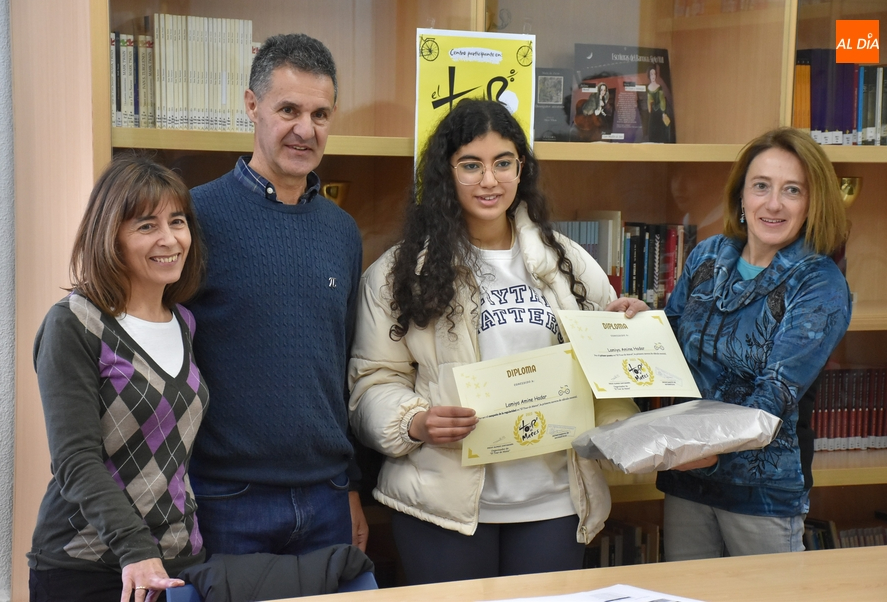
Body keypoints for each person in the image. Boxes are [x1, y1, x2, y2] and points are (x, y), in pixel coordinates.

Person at [348, 99, 645, 584]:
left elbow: (608, 366)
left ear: (520, 168)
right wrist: (415, 422)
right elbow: (370, 385)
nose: (490, 180)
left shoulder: (567, 261)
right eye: (471, 165)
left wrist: (626, 325)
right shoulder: (399, 274)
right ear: (446, 174)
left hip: (553, 503)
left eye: (503, 163)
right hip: (443, 510)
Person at [186, 33, 368, 557]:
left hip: (330, 496)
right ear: (251, 105)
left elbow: (345, 367)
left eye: (320, 114)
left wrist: (351, 485)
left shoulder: (343, 231)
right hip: (225, 496)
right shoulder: (195, 219)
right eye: (288, 109)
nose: (305, 130)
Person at [658, 127, 852, 560]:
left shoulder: (819, 282)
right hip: (687, 480)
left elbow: (776, 391)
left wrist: (704, 453)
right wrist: (630, 326)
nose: (773, 204)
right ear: (741, 195)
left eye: (792, 190)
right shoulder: (708, 256)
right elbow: (665, 346)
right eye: (761, 186)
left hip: (760, 492)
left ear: (812, 202)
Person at [28, 155, 208, 602]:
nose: (169, 239)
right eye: (146, 226)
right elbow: (74, 461)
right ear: (111, 237)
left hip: (177, 563)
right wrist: (136, 549)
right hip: (88, 567)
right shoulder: (74, 323)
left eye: (177, 221)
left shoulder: (184, 323)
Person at [645, 64, 672, 143]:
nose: (653, 76)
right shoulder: (648, 87)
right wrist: (649, 108)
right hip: (653, 111)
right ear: (649, 75)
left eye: (654, 74)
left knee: (661, 129)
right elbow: (649, 99)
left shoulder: (659, 86)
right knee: (652, 128)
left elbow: (662, 100)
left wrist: (663, 112)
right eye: (651, 74)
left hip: (660, 110)